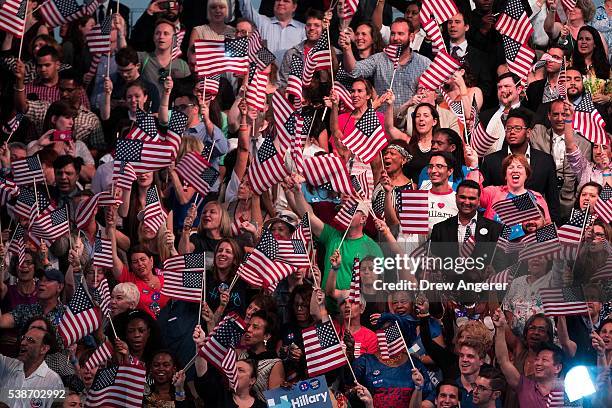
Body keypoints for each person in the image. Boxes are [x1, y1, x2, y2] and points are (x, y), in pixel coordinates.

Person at [480, 108, 560, 223]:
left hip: (533, 226)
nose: (512, 132)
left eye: (517, 128)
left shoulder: (545, 161)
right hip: (499, 224)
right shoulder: (491, 161)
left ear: (528, 132)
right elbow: (483, 200)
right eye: (508, 128)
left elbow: (553, 201)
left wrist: (555, 228)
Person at [342, 17, 431, 109]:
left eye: (400, 34)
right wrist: (347, 48)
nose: (396, 38)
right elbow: (354, 70)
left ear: (411, 36)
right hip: (383, 119)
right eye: (393, 34)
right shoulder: (379, 59)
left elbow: (437, 92)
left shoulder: (424, 63)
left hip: (410, 120)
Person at [430, 180, 504, 281]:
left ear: (478, 201)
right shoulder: (439, 229)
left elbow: (501, 264)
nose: (466, 202)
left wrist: (494, 272)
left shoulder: (495, 229)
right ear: (456, 197)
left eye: (472, 198)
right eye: (462, 197)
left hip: (481, 291)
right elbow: (435, 262)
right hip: (448, 290)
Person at [530, 99, 592, 219]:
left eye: (564, 114)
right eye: (555, 114)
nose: (559, 118)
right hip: (541, 204)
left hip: (570, 205)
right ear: (549, 116)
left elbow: (584, 178)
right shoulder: (537, 135)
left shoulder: (585, 144)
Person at [492, 309, 565, 407]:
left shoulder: (565, 395)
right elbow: (503, 360)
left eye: (544, 360)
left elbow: (567, 342)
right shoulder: (525, 386)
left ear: (558, 368)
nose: (536, 332)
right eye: (537, 359)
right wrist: (500, 328)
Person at [0, 325, 64, 407]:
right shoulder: (6, 365)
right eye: (23, 338)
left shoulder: (56, 382)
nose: (23, 343)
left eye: (30, 340)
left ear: (44, 349)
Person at [238, 0, 306, 63]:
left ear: (294, 7)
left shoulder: (303, 29)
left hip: (291, 74)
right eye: (278, 0)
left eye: (286, 1)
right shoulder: (263, 22)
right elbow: (246, 8)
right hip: (266, 73)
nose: (281, 3)